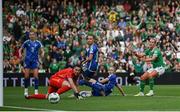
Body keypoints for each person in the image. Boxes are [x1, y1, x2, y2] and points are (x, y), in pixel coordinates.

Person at [19, 30, 44, 97]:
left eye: (33, 35)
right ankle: (26, 91)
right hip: (27, 61)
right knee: (26, 76)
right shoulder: (26, 42)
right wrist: (20, 54)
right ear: (29, 36)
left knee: (36, 76)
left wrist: (42, 54)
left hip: (35, 61)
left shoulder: (38, 42)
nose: (31, 36)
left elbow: (42, 50)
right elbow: (20, 49)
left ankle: (36, 92)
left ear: (35, 35)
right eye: (30, 35)